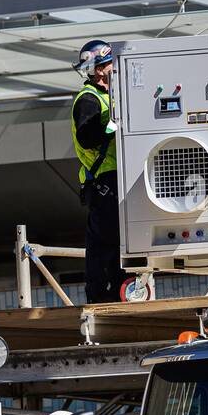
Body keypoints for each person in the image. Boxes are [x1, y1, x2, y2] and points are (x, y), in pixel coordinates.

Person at [71, 40, 124, 303]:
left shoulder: (111, 96)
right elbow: (87, 138)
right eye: (108, 65)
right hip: (104, 180)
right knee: (105, 246)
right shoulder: (89, 99)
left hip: (117, 178)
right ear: (99, 69)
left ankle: (120, 292)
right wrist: (111, 127)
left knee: (119, 244)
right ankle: (103, 299)